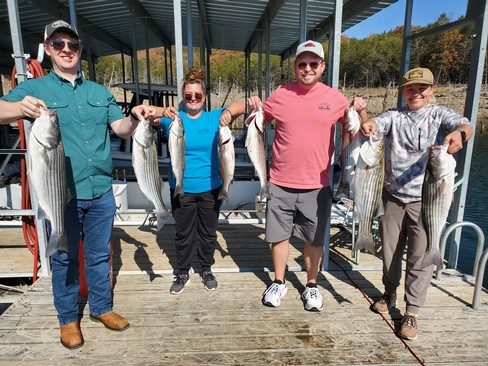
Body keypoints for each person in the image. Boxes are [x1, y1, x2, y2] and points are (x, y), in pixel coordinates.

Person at [0, 20, 156, 349]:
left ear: (80, 51)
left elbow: (121, 128)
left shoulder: (99, 92)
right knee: (63, 257)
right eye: (58, 44)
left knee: (99, 255)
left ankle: (102, 308)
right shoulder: (36, 89)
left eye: (72, 45)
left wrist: (136, 118)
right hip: (62, 193)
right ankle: (68, 319)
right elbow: (1, 109)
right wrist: (17, 107)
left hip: (100, 189)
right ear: (47, 49)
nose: (66, 50)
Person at [247, 40, 367, 312]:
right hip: (279, 182)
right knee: (278, 236)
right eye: (302, 64)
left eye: (314, 63)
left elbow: (358, 130)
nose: (308, 68)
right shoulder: (279, 95)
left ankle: (311, 285)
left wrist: (360, 109)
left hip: (318, 184)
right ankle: (278, 281)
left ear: (322, 67)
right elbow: (258, 122)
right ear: (295, 67)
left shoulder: (335, 98)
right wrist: (254, 106)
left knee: (314, 239)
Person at [360, 67, 473, 340]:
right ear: (404, 91)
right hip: (392, 195)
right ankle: (389, 293)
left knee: (420, 257)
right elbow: (379, 123)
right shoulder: (395, 115)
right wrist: (370, 123)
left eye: (422, 88)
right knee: (389, 253)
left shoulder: (439, 114)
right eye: (411, 88)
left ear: (431, 90)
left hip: (426, 200)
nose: (416, 93)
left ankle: (412, 311)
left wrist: (460, 134)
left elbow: (465, 124)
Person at [150, 67, 244, 295]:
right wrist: (164, 110)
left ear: (204, 97)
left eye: (198, 96)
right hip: (181, 187)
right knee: (183, 233)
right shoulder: (174, 120)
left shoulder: (213, 118)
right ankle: (182, 271)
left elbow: (242, 105)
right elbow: (149, 113)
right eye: (189, 96)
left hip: (211, 188)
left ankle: (206, 268)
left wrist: (229, 114)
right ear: (183, 96)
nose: (193, 100)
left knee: (208, 232)